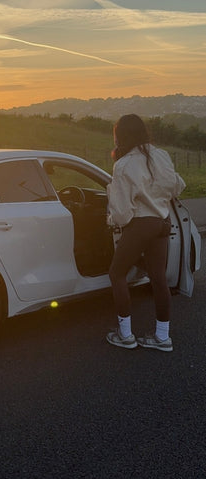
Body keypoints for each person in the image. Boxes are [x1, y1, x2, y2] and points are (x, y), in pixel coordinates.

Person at [105, 114, 185, 352]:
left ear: (121, 136)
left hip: (141, 224)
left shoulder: (124, 164)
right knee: (159, 279)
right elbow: (178, 185)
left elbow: (121, 212)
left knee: (117, 274)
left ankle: (125, 334)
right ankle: (162, 338)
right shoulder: (161, 155)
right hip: (163, 221)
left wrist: (110, 220)